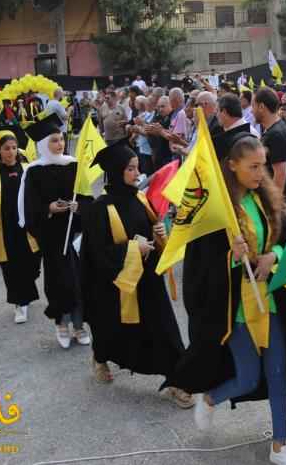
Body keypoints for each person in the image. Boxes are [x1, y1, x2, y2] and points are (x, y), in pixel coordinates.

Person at [165, 134, 286, 465]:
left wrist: (275, 256)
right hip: (236, 310)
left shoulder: (264, 200)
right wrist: (231, 254)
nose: (261, 173)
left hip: (268, 301)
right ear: (232, 166)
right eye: (253, 166)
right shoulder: (216, 213)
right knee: (248, 377)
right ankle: (212, 398)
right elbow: (199, 264)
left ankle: (280, 446)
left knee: (278, 372)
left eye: (263, 165)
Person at [79, 140, 193, 407]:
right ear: (117, 171)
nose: (136, 173)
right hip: (116, 286)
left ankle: (177, 380)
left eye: (136, 167)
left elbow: (152, 228)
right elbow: (98, 254)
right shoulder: (99, 209)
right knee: (111, 331)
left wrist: (159, 233)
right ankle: (100, 355)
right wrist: (133, 249)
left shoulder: (139, 198)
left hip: (148, 280)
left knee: (165, 331)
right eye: (130, 168)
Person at [18, 114, 92, 349]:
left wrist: (79, 207)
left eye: (60, 139)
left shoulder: (73, 165)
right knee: (58, 281)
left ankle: (79, 325)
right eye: (53, 141)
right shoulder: (34, 171)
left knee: (79, 279)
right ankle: (61, 323)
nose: (59, 144)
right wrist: (48, 208)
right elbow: (29, 206)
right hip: (50, 235)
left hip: (74, 234)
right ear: (42, 145)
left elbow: (87, 197)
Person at [0, 128, 41, 324]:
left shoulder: (27, 168)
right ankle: (19, 303)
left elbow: (35, 194)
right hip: (6, 227)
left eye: (14, 147)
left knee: (32, 265)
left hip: (28, 225)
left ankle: (26, 293)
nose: (11, 152)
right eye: (6, 148)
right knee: (12, 266)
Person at [253, 87, 286, 210]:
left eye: (253, 106)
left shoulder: (276, 134)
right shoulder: (277, 127)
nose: (251, 111)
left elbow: (280, 174)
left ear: (261, 107)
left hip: (280, 206)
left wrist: (272, 206)